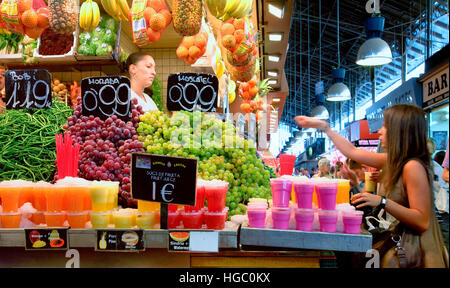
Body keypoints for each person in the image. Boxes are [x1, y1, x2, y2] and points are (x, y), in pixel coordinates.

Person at [295, 104, 448, 268]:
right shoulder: (396, 161)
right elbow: (353, 152)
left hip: (417, 254)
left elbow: (422, 220)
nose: (379, 131)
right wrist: (324, 127)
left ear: (400, 131)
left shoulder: (413, 167)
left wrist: (382, 201)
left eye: (385, 126)